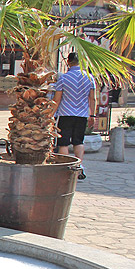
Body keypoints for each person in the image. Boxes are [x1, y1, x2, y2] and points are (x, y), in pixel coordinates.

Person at [52, 51, 96, 180]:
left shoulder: (63, 78)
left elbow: (57, 99)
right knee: (78, 141)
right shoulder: (89, 78)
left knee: (63, 143)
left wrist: (50, 114)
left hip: (65, 114)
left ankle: (65, 168)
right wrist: (92, 115)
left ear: (68, 62)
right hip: (82, 114)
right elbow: (92, 98)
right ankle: (79, 166)